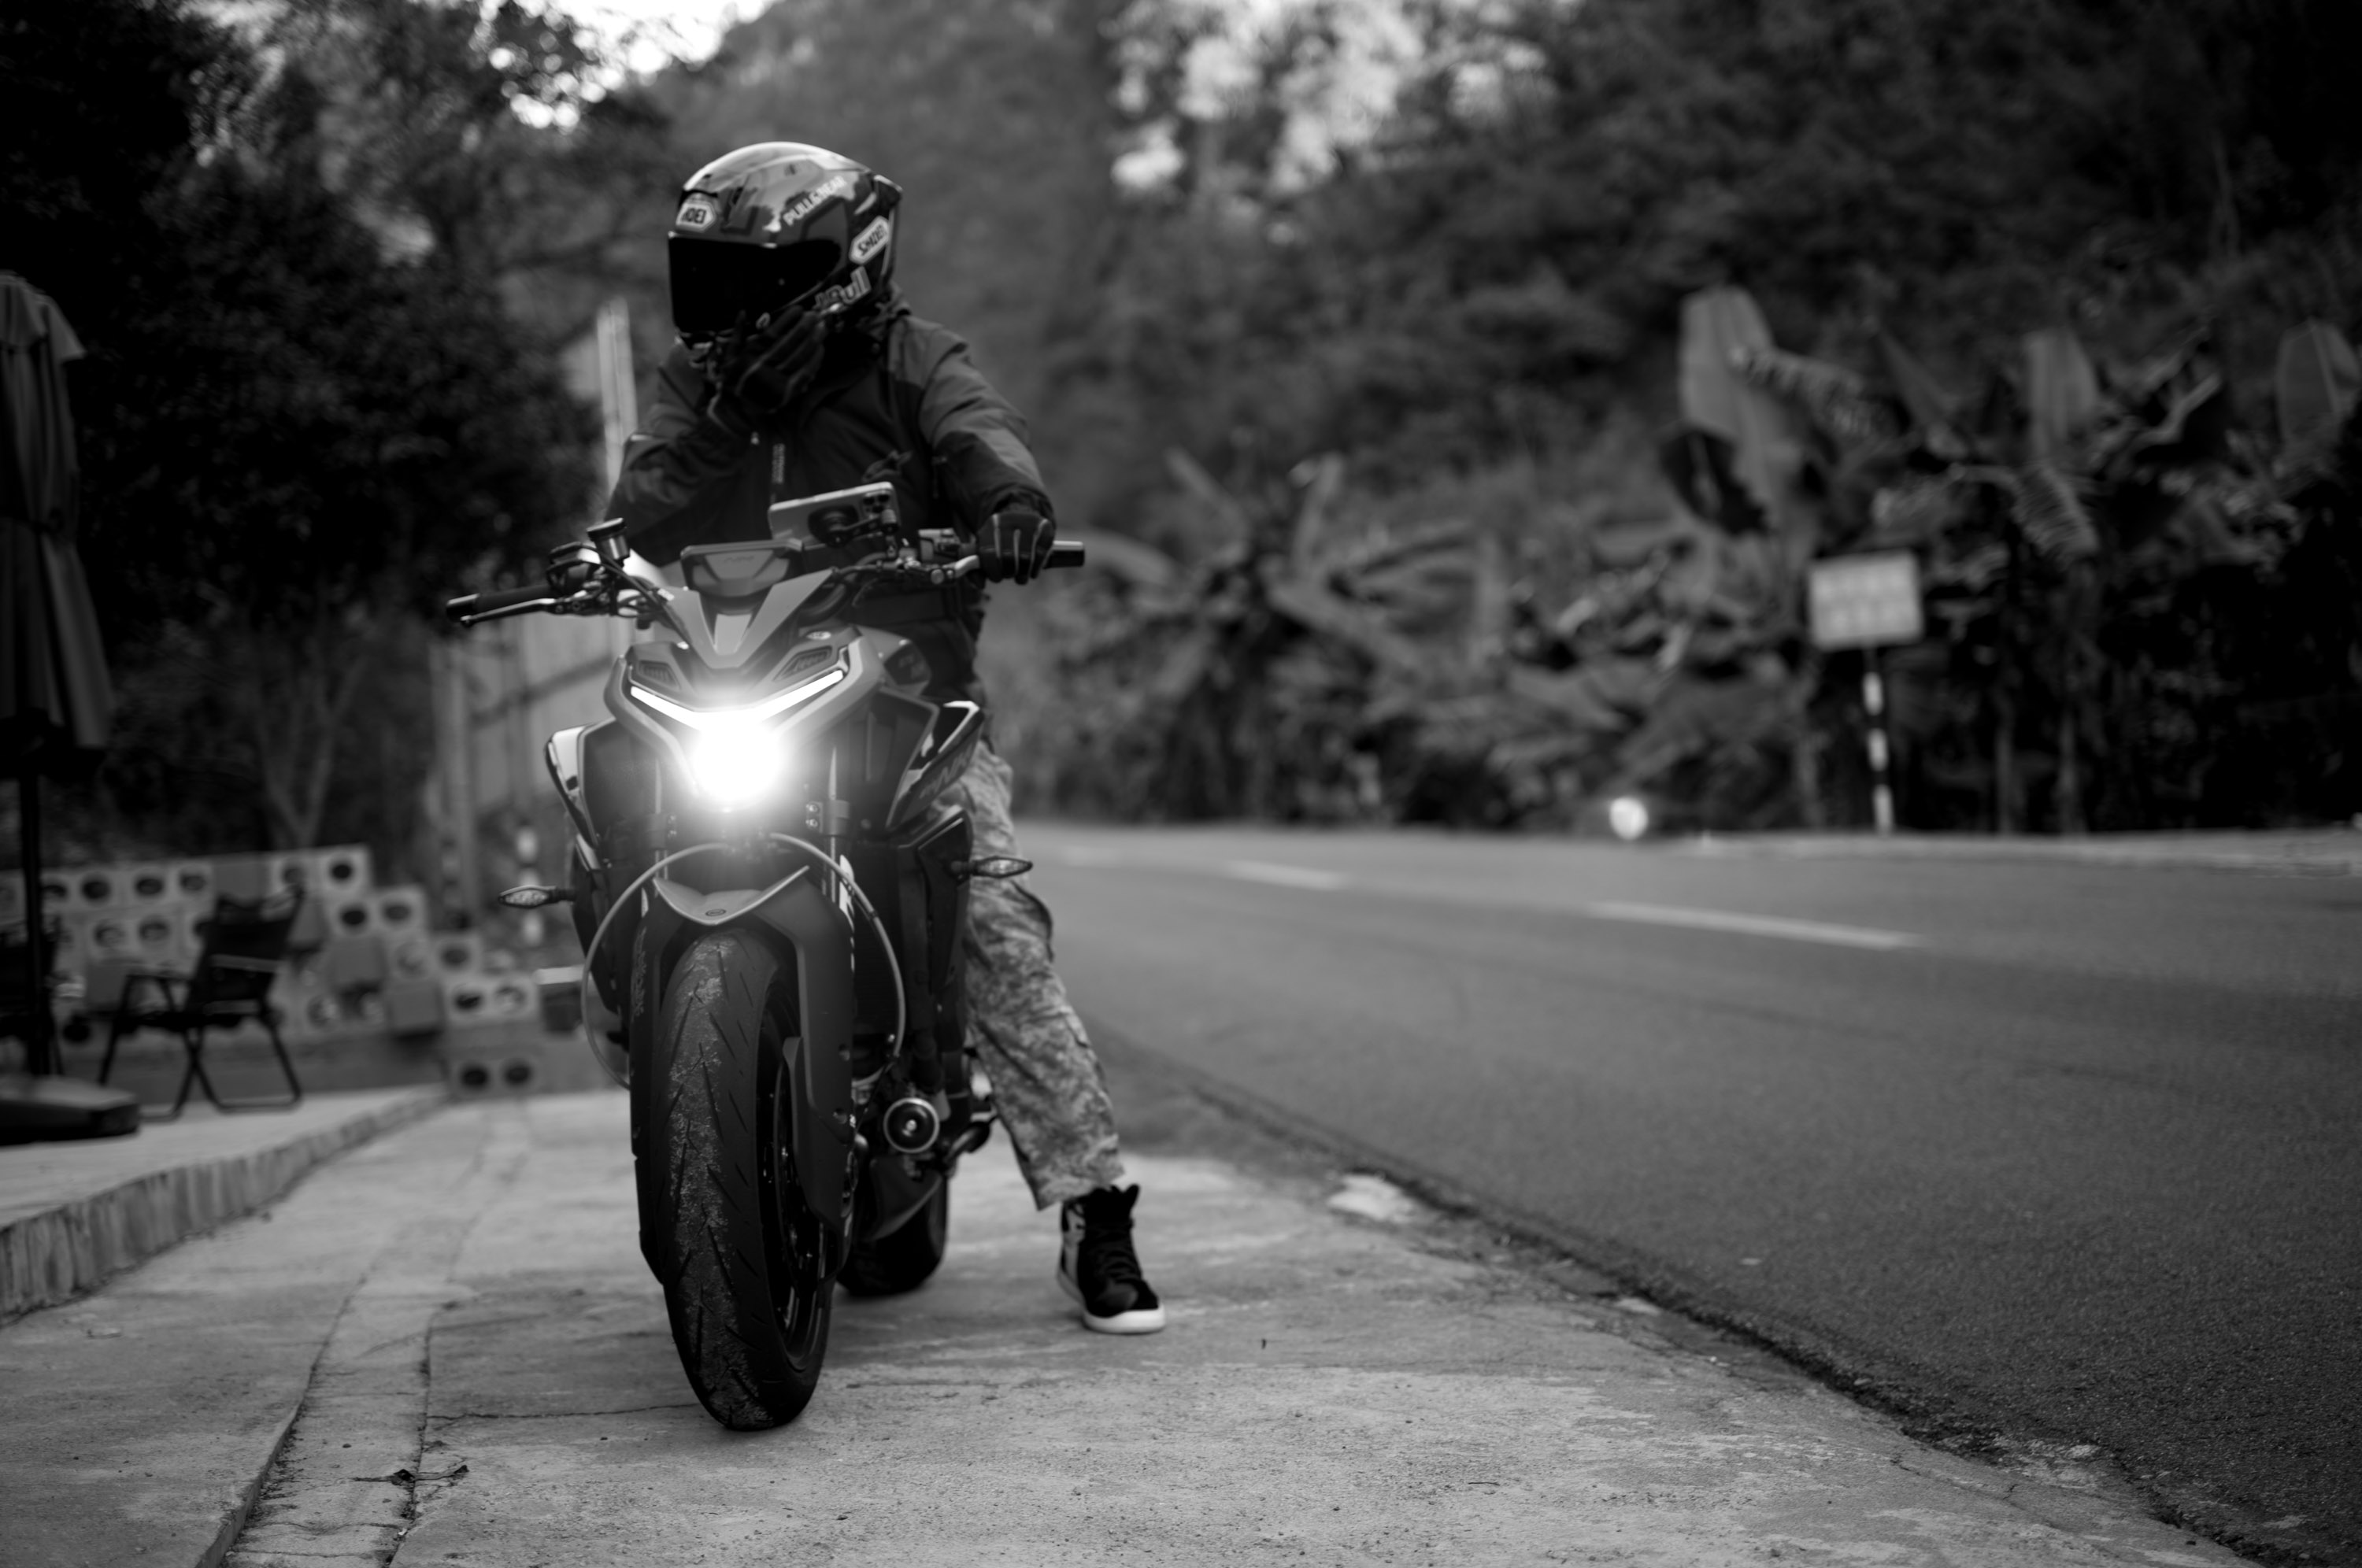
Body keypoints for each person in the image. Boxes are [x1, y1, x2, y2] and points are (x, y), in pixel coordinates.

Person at [605, 142, 1162, 1334]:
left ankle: (1093, 1212)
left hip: (904, 703)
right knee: (596, 798)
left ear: (841, 265)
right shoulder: (697, 386)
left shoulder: (917, 361)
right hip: (730, 690)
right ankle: (659, 1054)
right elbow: (643, 510)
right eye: (714, 278)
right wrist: (731, 418)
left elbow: (981, 435)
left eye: (756, 277)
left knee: (998, 929)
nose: (731, 306)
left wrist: (1009, 507)